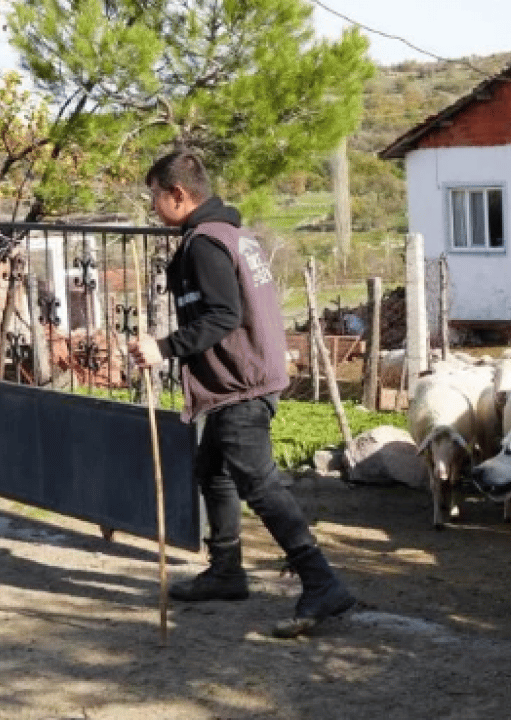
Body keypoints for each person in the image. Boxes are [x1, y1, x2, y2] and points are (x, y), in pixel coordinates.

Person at [129, 150, 356, 638]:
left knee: (258, 482)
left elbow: (223, 316)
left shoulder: (206, 243)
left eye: (154, 195)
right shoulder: (230, 234)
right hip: (245, 373)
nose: (152, 206)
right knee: (212, 470)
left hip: (239, 379)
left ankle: (321, 581)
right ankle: (227, 570)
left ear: (178, 194)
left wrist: (163, 348)